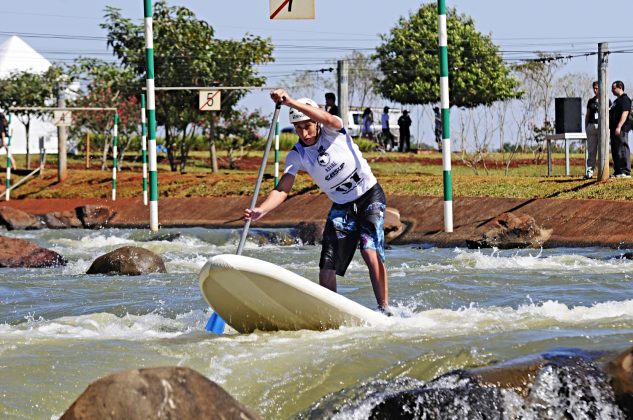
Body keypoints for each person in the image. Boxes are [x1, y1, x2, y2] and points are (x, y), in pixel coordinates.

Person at [244, 89, 390, 313]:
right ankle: (332, 314)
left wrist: (291, 102)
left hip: (369, 196)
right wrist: (261, 210)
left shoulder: (333, 129)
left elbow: (328, 117)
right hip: (342, 207)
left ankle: (384, 308)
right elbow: (283, 188)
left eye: (307, 126)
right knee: (326, 267)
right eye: (298, 128)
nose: (304, 133)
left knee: (369, 251)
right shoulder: (297, 154)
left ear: (316, 123)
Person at [584, 81, 611, 179]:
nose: (595, 90)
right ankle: (589, 172)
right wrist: (586, 127)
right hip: (591, 127)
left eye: (597, 88)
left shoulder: (606, 100)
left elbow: (609, 115)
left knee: (603, 150)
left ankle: (603, 171)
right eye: (594, 88)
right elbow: (587, 115)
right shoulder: (590, 101)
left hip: (602, 127)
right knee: (591, 151)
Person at [609, 80, 632, 178]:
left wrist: (619, 126)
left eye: (613, 88)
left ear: (620, 87)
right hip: (614, 129)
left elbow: (625, 113)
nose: (612, 90)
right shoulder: (616, 101)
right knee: (615, 150)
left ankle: (625, 171)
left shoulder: (625, 99)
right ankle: (618, 171)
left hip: (621, 129)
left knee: (622, 148)